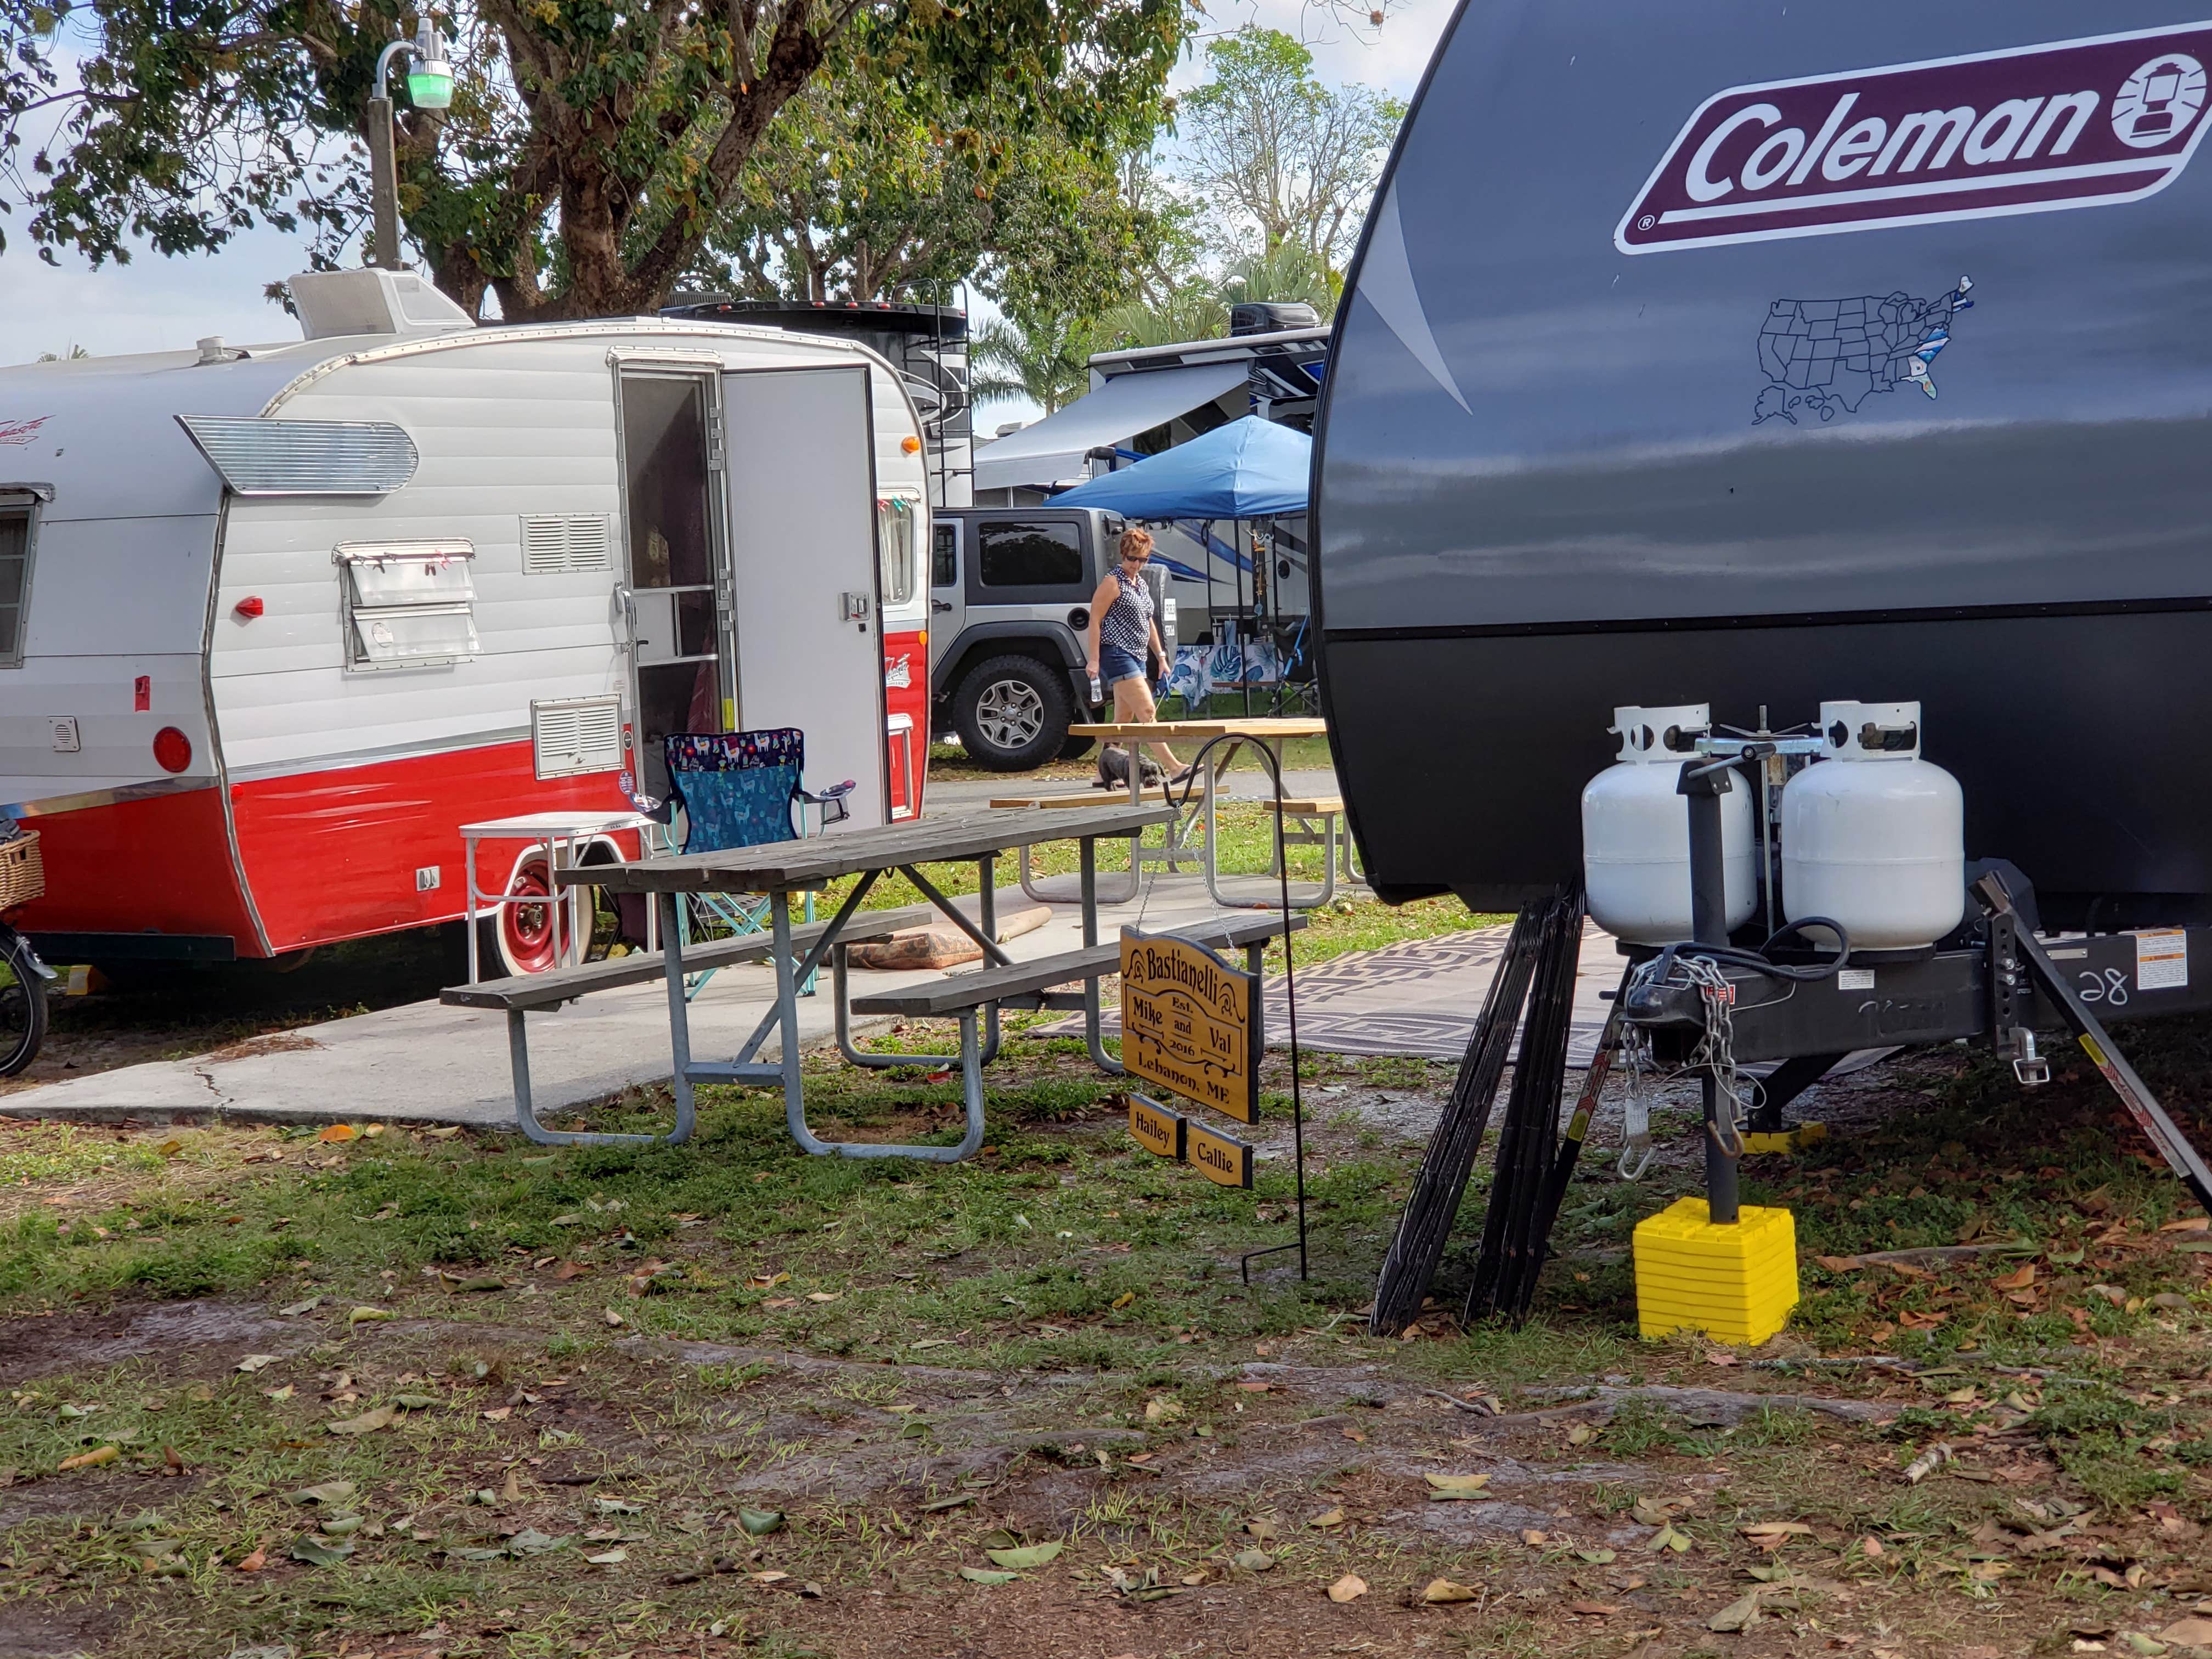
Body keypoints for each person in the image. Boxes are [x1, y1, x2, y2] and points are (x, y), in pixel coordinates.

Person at [1085, 526, 1189, 783]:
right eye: (1133, 558)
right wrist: (1095, 659)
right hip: (1117, 653)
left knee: (1123, 718)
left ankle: (1102, 773)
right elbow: (1095, 620)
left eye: (1143, 559)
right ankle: (1174, 767)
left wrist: (1161, 656)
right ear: (1124, 555)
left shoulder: (1141, 584)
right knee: (1146, 710)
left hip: (1138, 655)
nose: (1137, 564)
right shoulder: (1113, 582)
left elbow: (1148, 621)